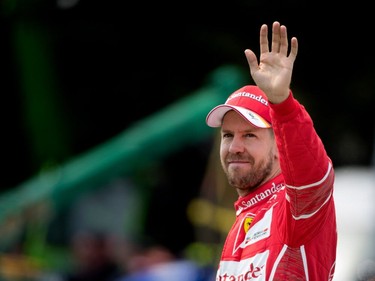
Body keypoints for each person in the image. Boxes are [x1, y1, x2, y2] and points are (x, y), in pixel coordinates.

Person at [205, 21, 337, 280]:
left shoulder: (296, 210)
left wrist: (283, 105)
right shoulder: (242, 221)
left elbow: (314, 173)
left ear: (280, 146)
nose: (235, 147)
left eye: (250, 135)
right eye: (228, 135)